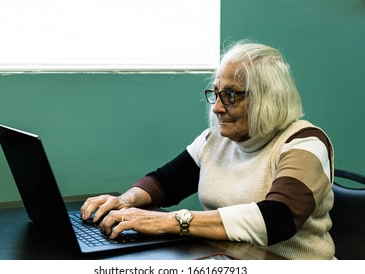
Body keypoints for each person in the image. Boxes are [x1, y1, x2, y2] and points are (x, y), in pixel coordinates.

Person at [80, 40, 335, 260]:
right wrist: (125, 201)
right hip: (231, 260)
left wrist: (172, 222)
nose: (217, 108)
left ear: (267, 97)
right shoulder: (216, 140)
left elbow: (277, 219)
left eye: (231, 95)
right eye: (215, 93)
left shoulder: (305, 143)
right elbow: (164, 183)